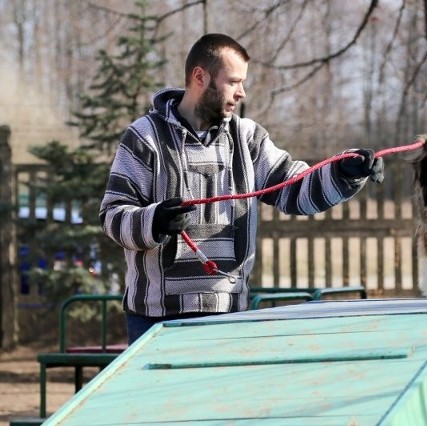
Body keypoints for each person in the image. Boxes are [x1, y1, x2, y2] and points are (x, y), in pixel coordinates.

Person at [99, 33, 384, 344]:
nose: (241, 93)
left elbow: (296, 191)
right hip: (154, 321)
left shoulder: (248, 139)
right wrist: (153, 221)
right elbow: (112, 215)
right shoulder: (144, 137)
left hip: (229, 316)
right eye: (233, 82)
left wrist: (344, 172)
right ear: (200, 77)